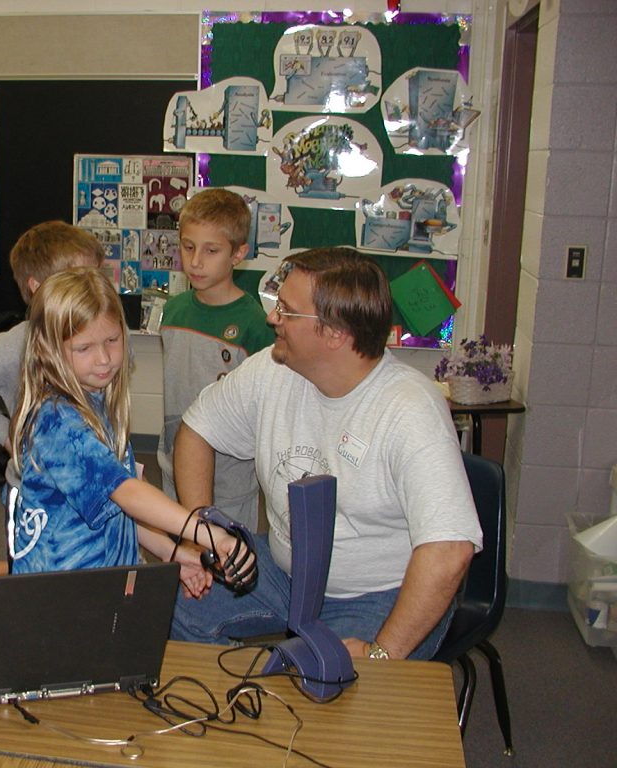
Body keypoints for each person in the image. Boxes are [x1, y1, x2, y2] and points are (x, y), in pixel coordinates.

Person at [169, 247, 482, 660]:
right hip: (285, 570)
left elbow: (450, 551)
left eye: (287, 311)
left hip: (380, 592)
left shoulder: (410, 408)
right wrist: (199, 536)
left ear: (335, 333)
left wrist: (380, 654)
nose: (271, 318)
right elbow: (196, 431)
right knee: (168, 604)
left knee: (328, 687)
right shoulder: (273, 370)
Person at [7, 267, 255, 595]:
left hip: (104, 578)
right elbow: (127, 492)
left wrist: (173, 554)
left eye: (112, 340)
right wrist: (207, 535)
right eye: (84, 348)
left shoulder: (96, 400)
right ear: (48, 350)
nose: (105, 359)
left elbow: (120, 507)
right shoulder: (57, 421)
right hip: (62, 595)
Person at [158, 188, 273, 532]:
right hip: (173, 466)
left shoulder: (255, 323)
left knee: (228, 565)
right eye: (188, 246)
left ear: (238, 253)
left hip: (230, 480)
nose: (195, 261)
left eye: (211, 251)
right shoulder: (173, 310)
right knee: (180, 562)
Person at [0, 221, 105, 492]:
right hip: (36, 493)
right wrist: (9, 435)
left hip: (97, 484)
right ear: (37, 287)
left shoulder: (105, 337)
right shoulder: (13, 346)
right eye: (78, 280)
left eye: (97, 278)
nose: (93, 290)